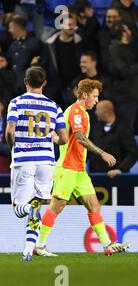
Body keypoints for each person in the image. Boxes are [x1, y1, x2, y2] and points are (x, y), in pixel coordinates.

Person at [36, 79, 131, 256]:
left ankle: (107, 244)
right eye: (94, 96)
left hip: (79, 170)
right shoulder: (76, 112)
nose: (96, 100)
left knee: (94, 206)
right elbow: (79, 138)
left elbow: (64, 137)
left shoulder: (83, 113)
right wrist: (102, 153)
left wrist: (55, 139)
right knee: (57, 206)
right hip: (67, 168)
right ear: (85, 95)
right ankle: (39, 245)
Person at [5, 66, 68, 261]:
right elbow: (64, 138)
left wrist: (12, 148)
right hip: (46, 162)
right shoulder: (54, 106)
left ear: (25, 81)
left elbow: (9, 131)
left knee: (19, 208)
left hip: (24, 160)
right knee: (37, 205)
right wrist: (51, 138)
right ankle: (28, 249)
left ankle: (28, 221)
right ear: (44, 83)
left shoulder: (16, 103)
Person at [89, 100, 138, 177]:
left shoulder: (124, 129)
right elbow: (89, 148)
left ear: (105, 112)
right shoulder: (96, 128)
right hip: (95, 175)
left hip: (116, 177)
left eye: (97, 110)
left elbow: (132, 153)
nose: (95, 113)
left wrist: (120, 170)